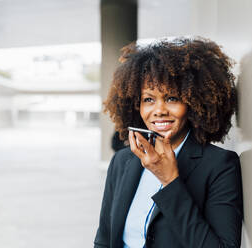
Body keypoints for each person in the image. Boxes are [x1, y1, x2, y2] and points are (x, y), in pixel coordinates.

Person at [94, 37, 243, 248]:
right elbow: (104, 239)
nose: (159, 110)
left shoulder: (219, 165)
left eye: (172, 98)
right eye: (149, 99)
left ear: (194, 102)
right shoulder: (123, 160)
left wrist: (171, 182)